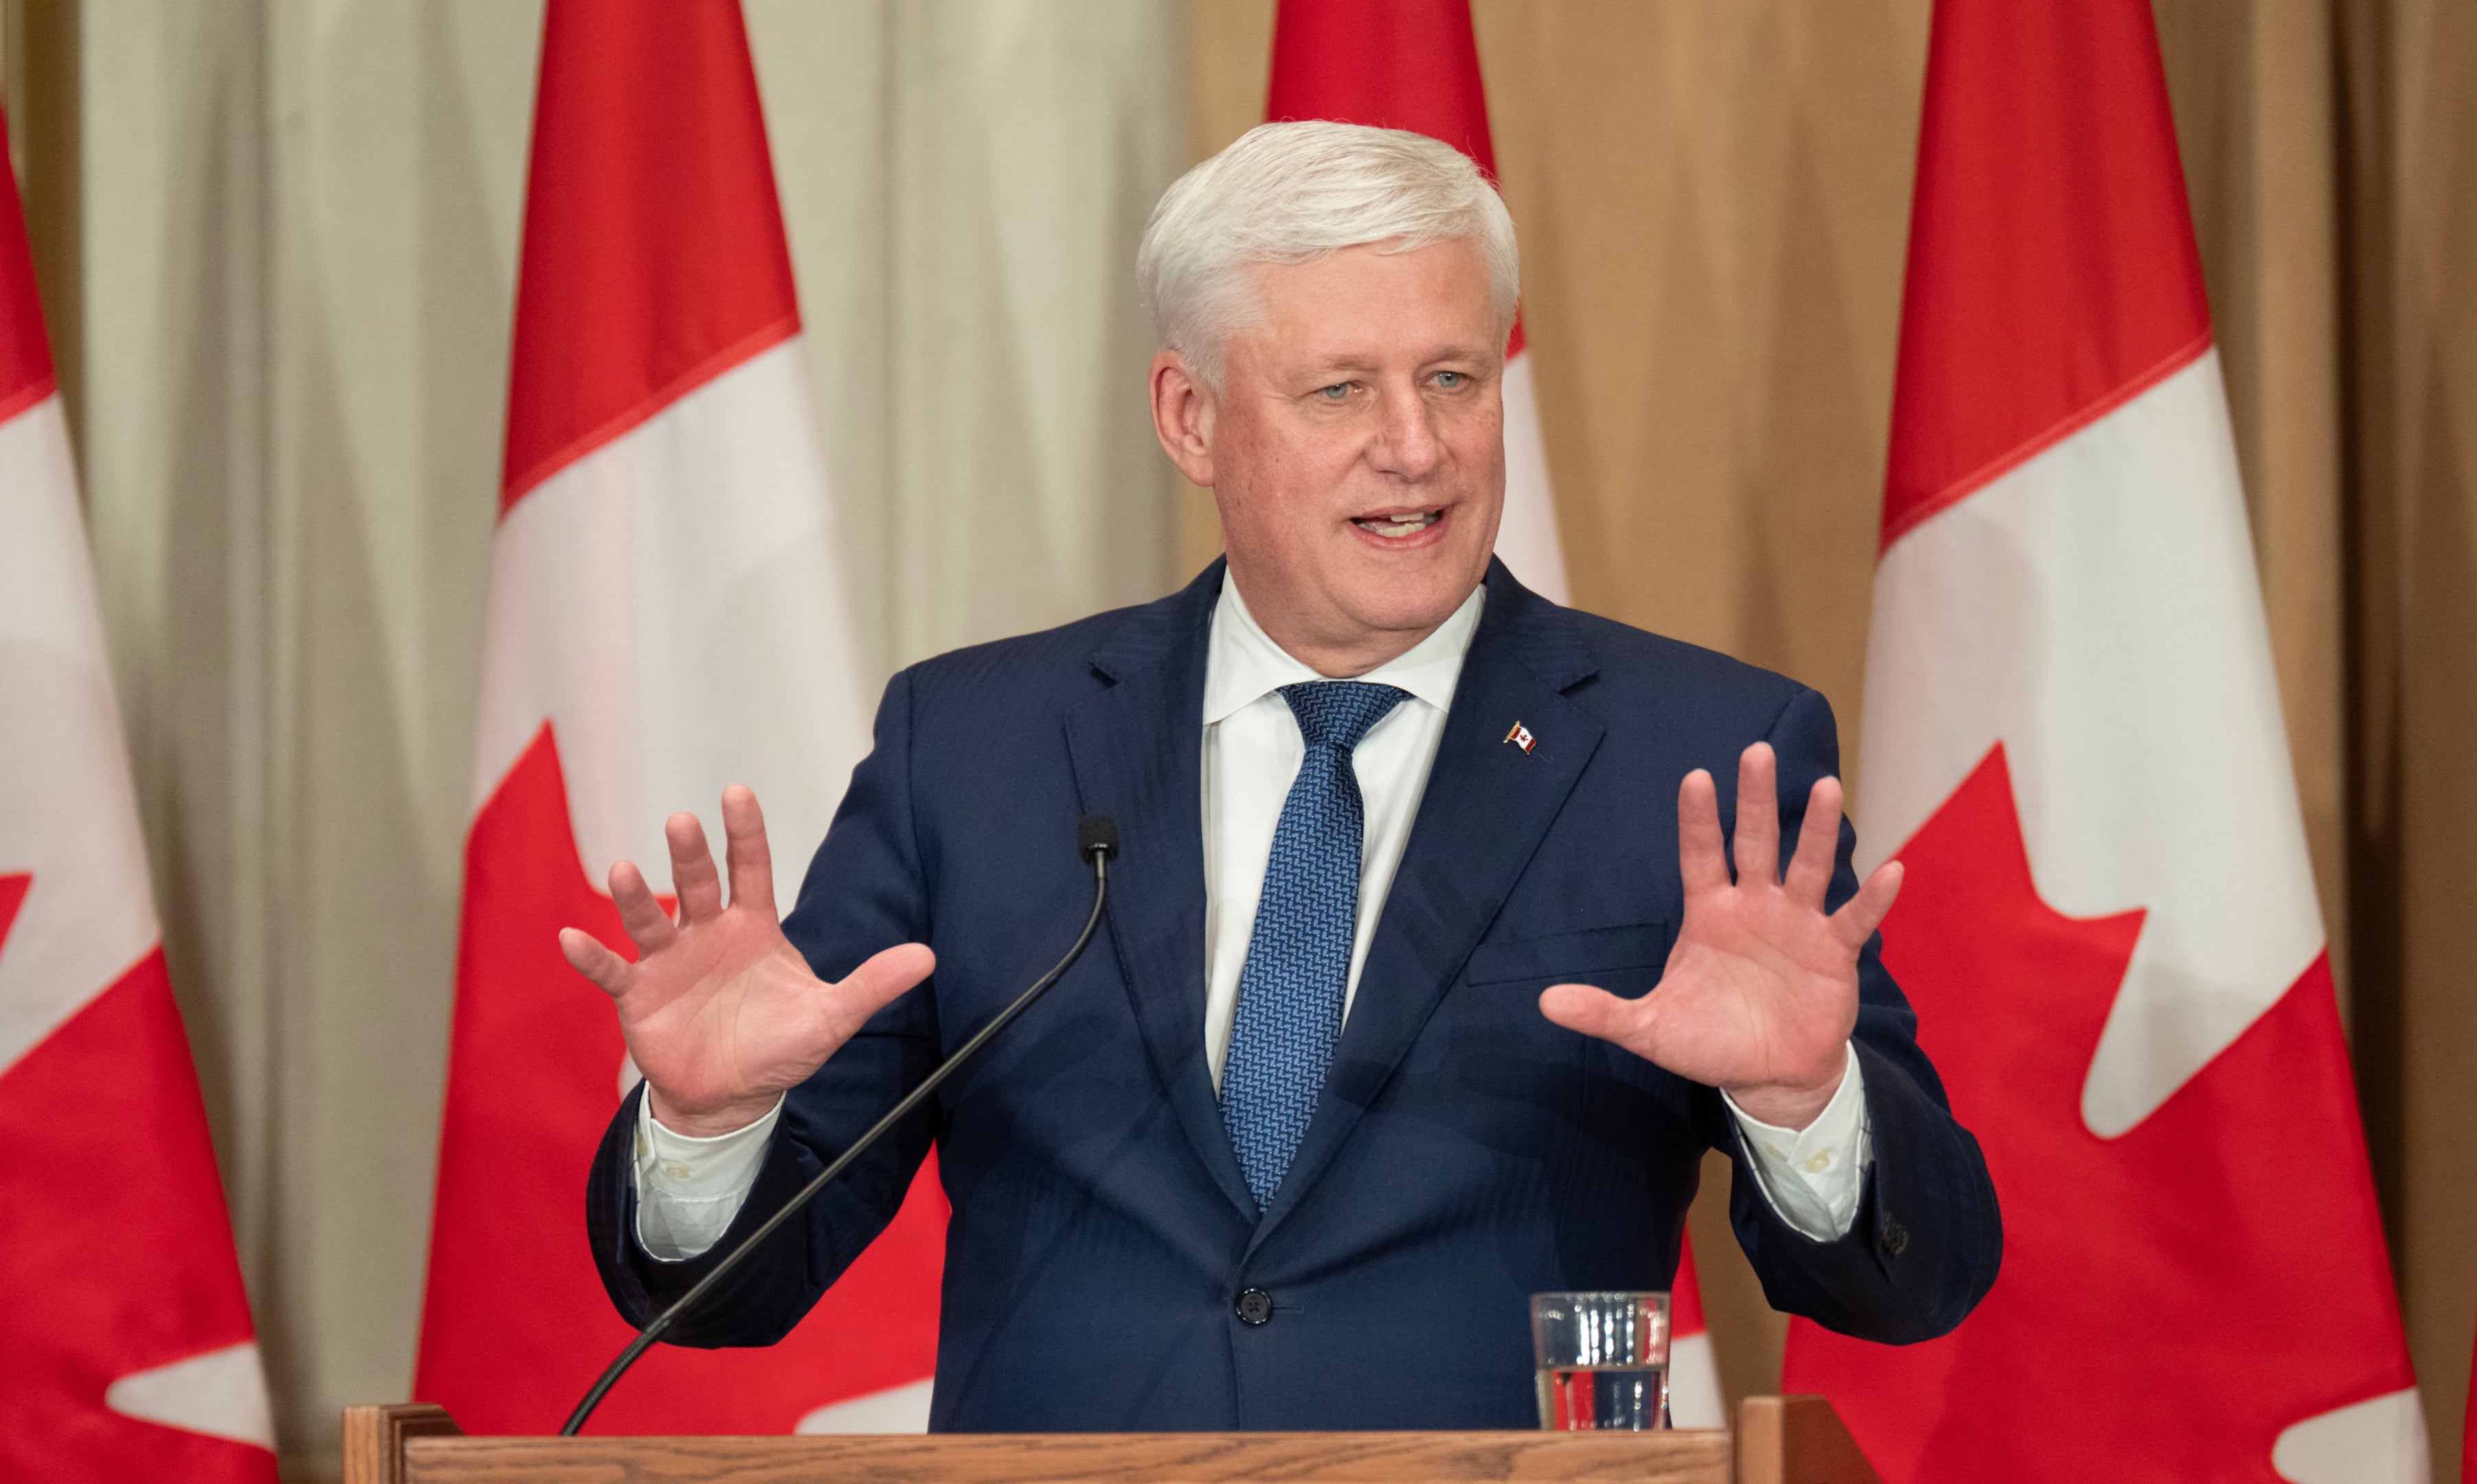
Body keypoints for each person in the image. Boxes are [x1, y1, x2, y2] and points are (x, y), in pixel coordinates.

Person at [567, 120, 1999, 1432]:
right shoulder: (977, 746)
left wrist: (1808, 1106)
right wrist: (709, 1128)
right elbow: (729, 1293)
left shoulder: (1691, 752)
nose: (1416, 447)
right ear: (1190, 418)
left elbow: (1913, 1282)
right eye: (1340, 390)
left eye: (1453, 377)